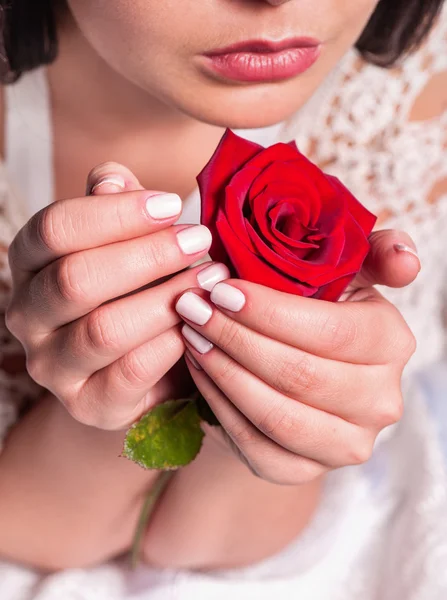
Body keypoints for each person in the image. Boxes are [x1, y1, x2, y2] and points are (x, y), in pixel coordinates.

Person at [0, 0, 445, 598]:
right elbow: (29, 529)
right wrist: (111, 397)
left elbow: (214, 539)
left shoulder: (417, 103)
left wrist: (267, 424)